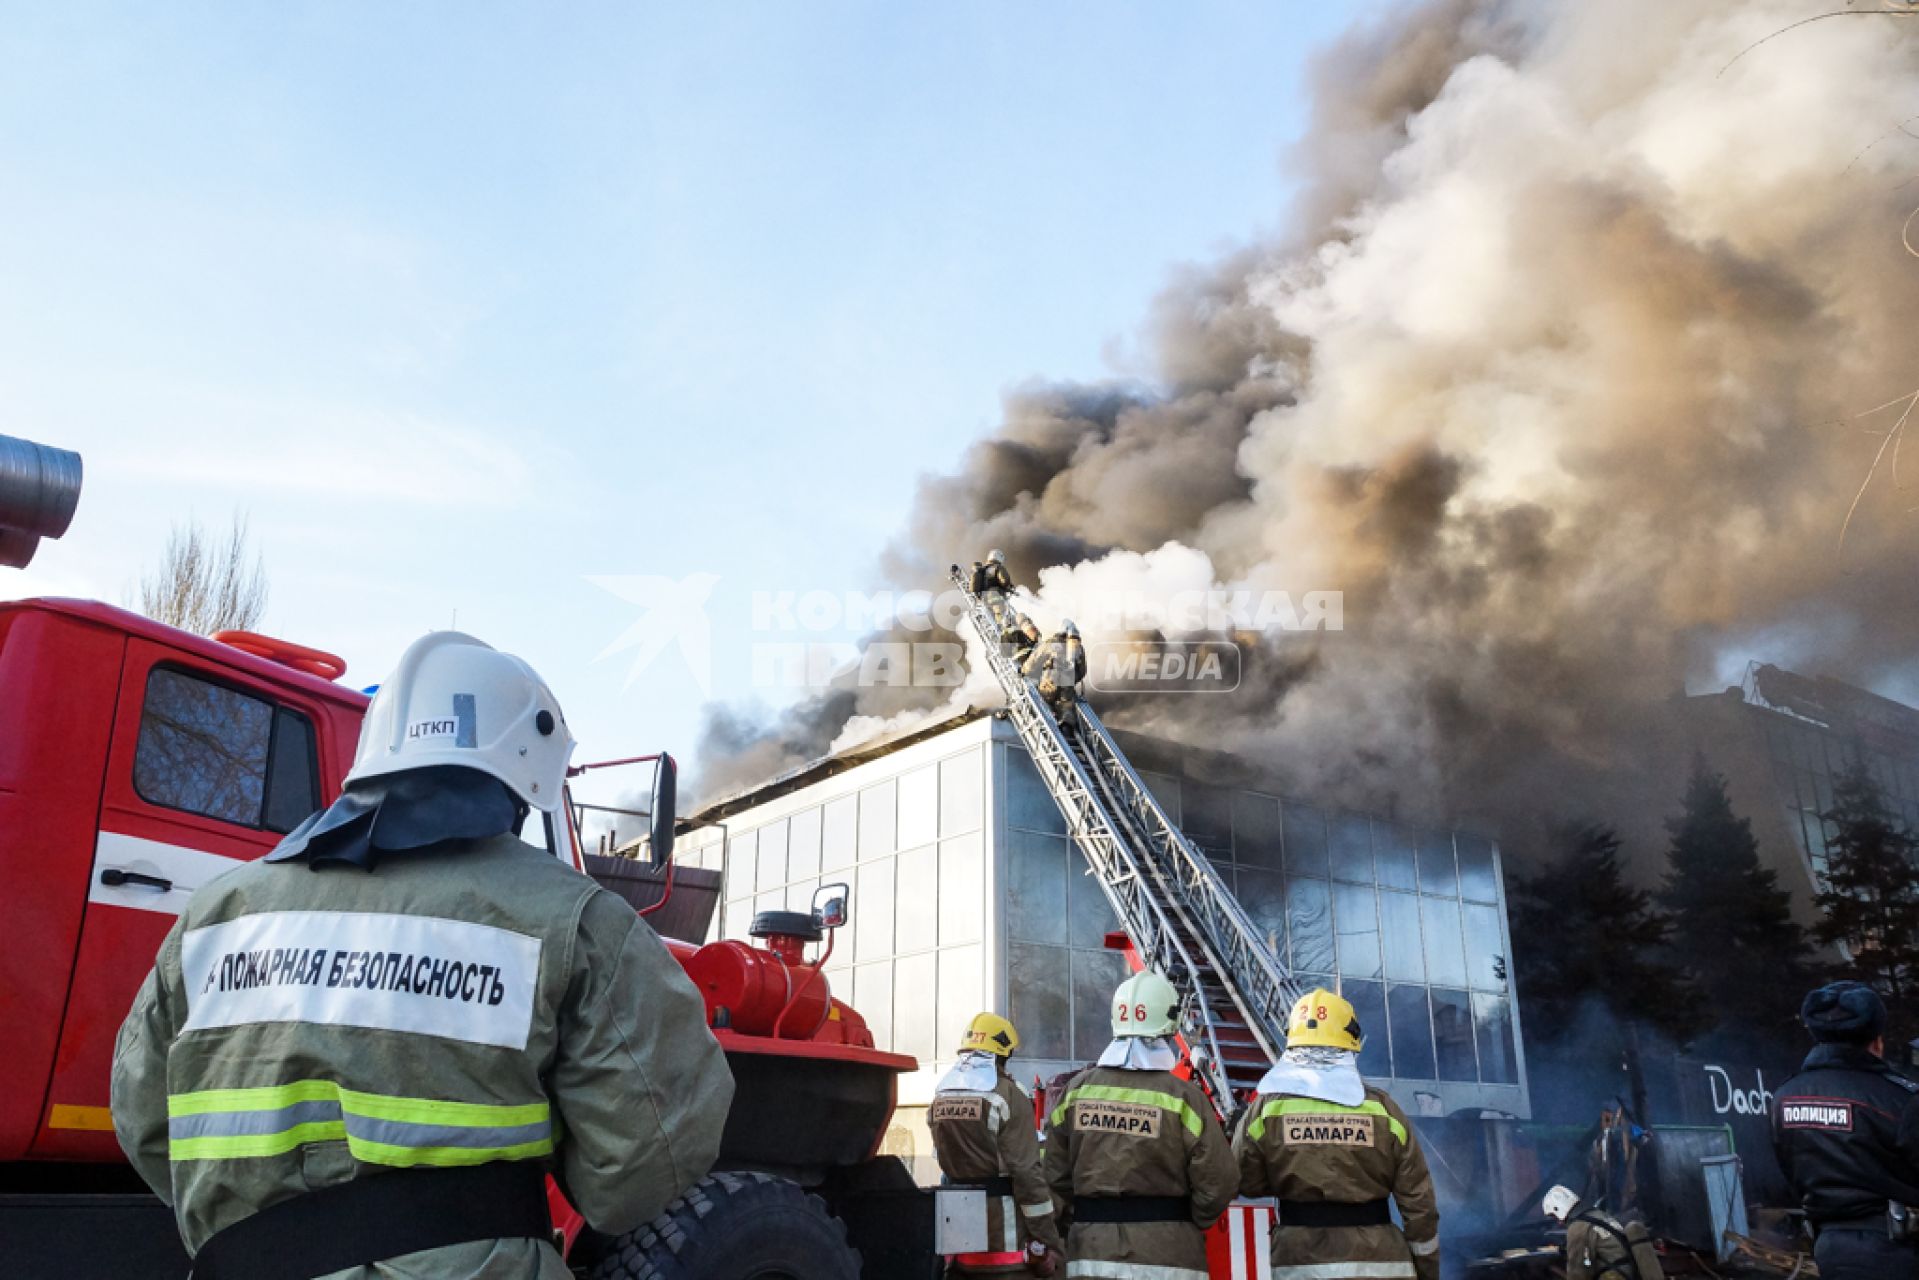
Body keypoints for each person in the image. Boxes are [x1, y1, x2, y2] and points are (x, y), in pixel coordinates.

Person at [111, 631, 734, 1280]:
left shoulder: (214, 913)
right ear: (528, 765)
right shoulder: (574, 918)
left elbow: (144, 1122)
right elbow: (647, 1156)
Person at [1234, 988, 1441, 1280]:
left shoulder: (1267, 1110)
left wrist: (1295, 1178)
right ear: (1352, 1042)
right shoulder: (1384, 1111)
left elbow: (1245, 1181)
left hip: (1300, 1264)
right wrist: (1427, 1269)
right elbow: (1420, 1206)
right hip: (1382, 1265)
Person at [1043, 970, 1237, 1280]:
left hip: (1091, 1253)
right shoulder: (1185, 1098)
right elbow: (1220, 1181)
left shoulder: (1075, 1093)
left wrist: (1080, 1223)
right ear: (1169, 1024)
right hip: (1170, 1257)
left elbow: (1054, 1176)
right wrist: (1181, 1220)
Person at [1772, 980, 1919, 1279]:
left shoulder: (1784, 1097)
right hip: (1898, 1251)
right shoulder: (1900, 1099)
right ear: (1877, 1041)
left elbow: (1791, 1172)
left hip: (1829, 1248)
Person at [929, 1013, 1063, 1277]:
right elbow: (1027, 1175)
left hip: (958, 1246)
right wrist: (1048, 1242)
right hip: (1006, 1251)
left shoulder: (940, 1097)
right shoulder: (1008, 1096)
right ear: (1003, 1054)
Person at [1543, 1185, 1664, 1280]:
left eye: (1554, 1217)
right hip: (1631, 1274)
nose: (1558, 1222)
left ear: (1559, 1209)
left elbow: (1578, 1272)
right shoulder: (1598, 1215)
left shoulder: (1577, 1228)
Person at [1021, 621, 1086, 718]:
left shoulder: (1051, 643)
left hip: (1049, 683)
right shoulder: (1079, 648)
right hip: (1067, 686)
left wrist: (1023, 671)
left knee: (1041, 708)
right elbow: (1082, 671)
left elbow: (1033, 661)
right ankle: (1066, 725)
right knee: (1066, 711)